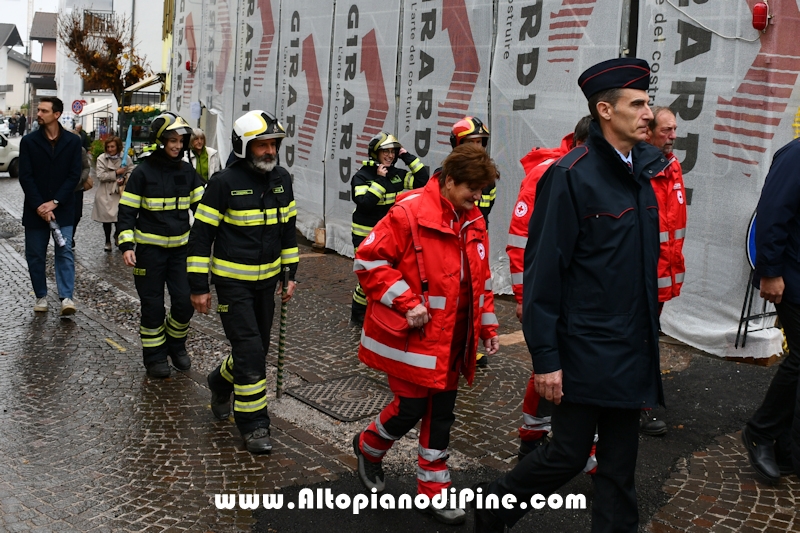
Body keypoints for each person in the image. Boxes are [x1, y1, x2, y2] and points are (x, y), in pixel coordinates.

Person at [474, 58, 668, 533]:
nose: (650, 113)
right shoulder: (570, 175)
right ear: (605, 110)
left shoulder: (645, 171)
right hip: (585, 347)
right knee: (566, 455)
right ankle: (492, 511)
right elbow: (544, 273)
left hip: (631, 345)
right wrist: (545, 358)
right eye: (638, 104)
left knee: (619, 466)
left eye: (648, 102)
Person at [352, 143, 500, 526]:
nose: (477, 198)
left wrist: (486, 325)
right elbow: (368, 261)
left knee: (442, 414)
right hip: (414, 338)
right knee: (411, 408)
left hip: (454, 338)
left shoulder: (473, 218)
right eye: (472, 190)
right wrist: (406, 301)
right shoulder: (408, 212)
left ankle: (434, 489)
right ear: (449, 181)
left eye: (482, 191)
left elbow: (479, 281)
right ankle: (369, 445)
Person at [188, 110, 299, 454]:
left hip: (266, 285)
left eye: (273, 145)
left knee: (256, 350)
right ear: (243, 147)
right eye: (261, 145)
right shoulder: (223, 183)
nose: (269, 151)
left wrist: (290, 273)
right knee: (251, 352)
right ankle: (253, 425)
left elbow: (288, 231)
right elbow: (200, 236)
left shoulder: (282, 179)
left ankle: (219, 380)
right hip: (232, 286)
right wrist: (198, 286)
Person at [506, 115, 591, 459]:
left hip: (580, 298)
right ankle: (532, 434)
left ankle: (582, 440)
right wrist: (524, 297)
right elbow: (519, 240)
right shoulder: (548, 174)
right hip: (551, 294)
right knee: (548, 365)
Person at [117, 112, 205, 378]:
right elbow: (126, 213)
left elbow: (203, 210)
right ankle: (154, 357)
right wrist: (127, 245)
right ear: (160, 140)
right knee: (153, 307)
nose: (177, 145)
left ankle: (176, 345)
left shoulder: (188, 171)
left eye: (181, 140)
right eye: (172, 140)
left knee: (184, 303)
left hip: (180, 252)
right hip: (148, 253)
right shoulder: (143, 172)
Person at [741, 136, 800, 485]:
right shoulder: (795, 155)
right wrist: (771, 271)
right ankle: (762, 433)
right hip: (791, 278)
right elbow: (773, 214)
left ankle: (783, 445)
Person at [640, 106, 688, 437]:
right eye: (666, 131)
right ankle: (642, 405)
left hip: (662, 277)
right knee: (642, 341)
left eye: (675, 130)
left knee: (647, 338)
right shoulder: (639, 170)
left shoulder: (672, 167)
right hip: (641, 278)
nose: (673, 137)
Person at [350, 131, 428, 327]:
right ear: (375, 153)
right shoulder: (361, 176)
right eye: (386, 151)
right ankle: (358, 312)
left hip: (389, 235)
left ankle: (382, 309)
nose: (390, 155)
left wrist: (406, 156)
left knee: (389, 273)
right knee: (367, 277)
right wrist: (379, 180)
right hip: (365, 235)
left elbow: (422, 179)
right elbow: (365, 203)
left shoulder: (397, 175)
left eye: (393, 152)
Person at [18, 96, 82, 316]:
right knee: (35, 254)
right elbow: (26, 177)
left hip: (63, 210)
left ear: (56, 115)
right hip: (35, 211)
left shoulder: (73, 142)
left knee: (64, 252)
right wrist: (40, 206)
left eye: (44, 111)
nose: (39, 114)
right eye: (39, 110)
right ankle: (41, 296)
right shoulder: (29, 141)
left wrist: (54, 203)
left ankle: (66, 297)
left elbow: (74, 176)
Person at [92, 137, 133, 251]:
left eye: (112, 147)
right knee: (107, 219)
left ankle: (117, 235)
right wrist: (116, 173)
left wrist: (124, 178)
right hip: (105, 192)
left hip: (120, 192)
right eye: (108, 147)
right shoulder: (102, 158)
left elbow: (131, 170)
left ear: (118, 147)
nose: (110, 149)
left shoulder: (126, 158)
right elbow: (100, 175)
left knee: (120, 218)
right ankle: (107, 240)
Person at [72, 145, 93, 247]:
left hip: (77, 188)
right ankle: (66, 238)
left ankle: (70, 235)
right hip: (63, 189)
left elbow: (86, 167)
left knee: (77, 215)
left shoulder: (81, 150)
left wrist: (81, 179)